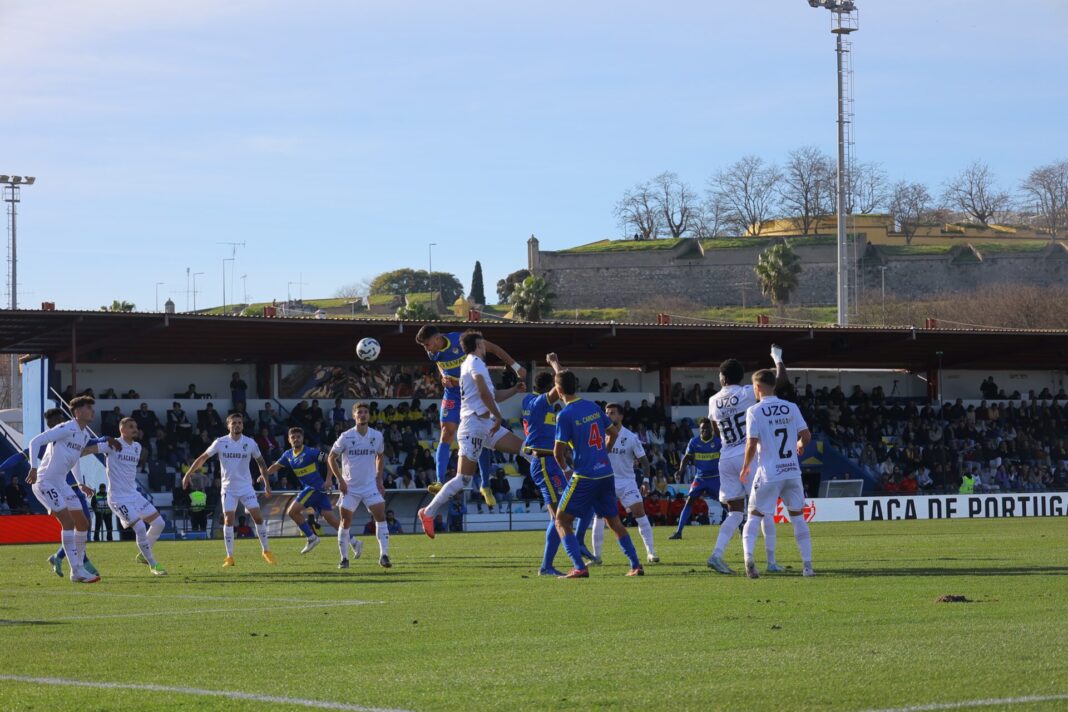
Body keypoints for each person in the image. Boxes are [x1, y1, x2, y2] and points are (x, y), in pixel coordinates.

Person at [417, 331, 527, 538]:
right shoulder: (474, 363)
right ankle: (430, 507)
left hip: (483, 424)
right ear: (478, 346)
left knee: (527, 450)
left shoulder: (473, 362)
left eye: (427, 344)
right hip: (474, 423)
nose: (427, 349)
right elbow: (486, 395)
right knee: (462, 477)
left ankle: (559, 495)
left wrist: (514, 387)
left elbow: (491, 394)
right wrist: (497, 416)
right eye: (483, 345)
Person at [552, 369, 644, 578]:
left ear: (558, 390)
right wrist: (604, 452)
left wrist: (567, 471)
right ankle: (636, 565)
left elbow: (558, 453)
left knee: (561, 520)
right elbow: (613, 433)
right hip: (605, 473)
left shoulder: (564, 415)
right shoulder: (592, 406)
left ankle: (579, 567)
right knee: (614, 522)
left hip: (584, 477)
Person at [706, 345, 788, 575]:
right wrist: (777, 358)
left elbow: (715, 430)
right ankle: (771, 562)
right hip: (747, 456)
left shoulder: (713, 400)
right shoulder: (745, 393)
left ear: (722, 377)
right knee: (764, 509)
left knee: (734, 512)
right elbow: (778, 381)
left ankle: (717, 554)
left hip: (726, 456)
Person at [26, 397, 118, 583]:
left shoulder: (84, 435)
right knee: (67, 522)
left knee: (82, 523)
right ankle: (76, 570)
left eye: (92, 408)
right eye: (88, 408)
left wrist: (80, 483)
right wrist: (34, 467)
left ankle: (79, 567)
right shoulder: (66, 428)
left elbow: (74, 459)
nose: (92, 411)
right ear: (77, 411)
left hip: (61, 483)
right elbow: (35, 442)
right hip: (45, 481)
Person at [740, 369, 814, 578]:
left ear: (758, 387)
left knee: (754, 515)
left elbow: (751, 443)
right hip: (792, 472)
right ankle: (808, 567)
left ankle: (749, 560)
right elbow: (806, 435)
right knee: (798, 518)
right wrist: (799, 444)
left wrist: (745, 466)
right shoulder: (791, 407)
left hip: (769, 473)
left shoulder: (754, 411)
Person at [183, 412, 276, 567]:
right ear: (228, 426)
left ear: (243, 425)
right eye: (234, 423)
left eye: (239, 422)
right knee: (228, 520)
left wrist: (266, 483)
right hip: (228, 489)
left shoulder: (250, 443)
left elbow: (261, 463)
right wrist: (188, 473)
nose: (237, 425)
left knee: (258, 518)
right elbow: (202, 458)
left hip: (246, 487)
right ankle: (229, 557)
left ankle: (266, 551)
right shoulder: (220, 442)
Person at [592, 402, 658, 564]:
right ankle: (597, 556)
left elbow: (644, 462)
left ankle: (651, 552)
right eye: (606, 413)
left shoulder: (630, 437)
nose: (608, 416)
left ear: (621, 416)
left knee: (640, 514)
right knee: (599, 517)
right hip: (606, 482)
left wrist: (646, 481)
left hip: (627, 482)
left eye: (612, 413)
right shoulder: (599, 434)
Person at [329, 402, 391, 569]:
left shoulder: (377, 436)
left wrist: (379, 479)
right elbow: (330, 457)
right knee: (345, 521)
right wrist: (340, 481)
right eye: (359, 412)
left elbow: (380, 456)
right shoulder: (346, 436)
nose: (362, 414)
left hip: (370, 486)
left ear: (369, 415)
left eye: (365, 412)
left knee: (381, 516)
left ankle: (384, 556)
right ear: (354, 416)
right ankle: (344, 559)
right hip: (350, 488)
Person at [520, 362, 568, 576]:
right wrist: (555, 364)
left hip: (551, 462)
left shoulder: (535, 403)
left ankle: (551, 563)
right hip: (543, 462)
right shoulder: (538, 403)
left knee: (564, 512)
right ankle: (547, 566)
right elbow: (562, 387)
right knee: (559, 515)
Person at [102, 417, 168, 575]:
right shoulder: (112, 444)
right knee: (139, 527)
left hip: (134, 495)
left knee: (159, 523)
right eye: (131, 426)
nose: (135, 429)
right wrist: (102, 439)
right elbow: (88, 449)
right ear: (122, 430)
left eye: (136, 426)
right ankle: (153, 564)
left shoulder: (138, 447)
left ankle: (143, 555)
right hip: (118, 498)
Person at [264, 426, 344, 555]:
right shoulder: (288, 455)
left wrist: (329, 479)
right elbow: (276, 466)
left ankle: (312, 537)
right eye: (293, 437)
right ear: (289, 440)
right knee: (330, 518)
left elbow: (329, 459)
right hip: (316, 490)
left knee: (292, 512)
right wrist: (264, 474)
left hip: (315, 488)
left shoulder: (311, 452)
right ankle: (354, 541)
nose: (296, 439)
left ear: (303, 438)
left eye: (298, 437)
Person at [667, 418, 721, 541]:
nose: (705, 431)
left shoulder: (718, 442)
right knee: (689, 500)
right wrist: (680, 471)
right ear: (700, 430)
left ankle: (740, 526)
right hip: (700, 478)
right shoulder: (694, 442)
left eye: (707, 428)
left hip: (715, 478)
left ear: (711, 430)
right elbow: (686, 458)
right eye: (703, 429)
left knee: (724, 502)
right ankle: (679, 532)